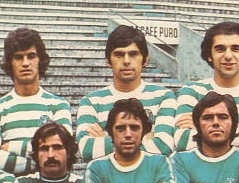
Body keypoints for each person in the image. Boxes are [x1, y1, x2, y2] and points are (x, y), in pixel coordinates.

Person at [174, 21, 239, 159]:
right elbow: (182, 142)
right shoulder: (192, 91)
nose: (228, 56)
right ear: (209, 55)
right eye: (220, 49)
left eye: (235, 49)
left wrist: (205, 133)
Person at [76, 25, 177, 160]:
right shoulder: (91, 101)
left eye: (133, 54)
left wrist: (106, 138)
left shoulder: (164, 97)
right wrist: (146, 139)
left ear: (145, 59)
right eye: (119, 55)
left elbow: (163, 147)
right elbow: (88, 150)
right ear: (108, 61)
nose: (126, 61)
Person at [0, 27, 72, 176]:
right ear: (10, 62)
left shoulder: (58, 105)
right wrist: (42, 163)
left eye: (31, 56)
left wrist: (13, 147)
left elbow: (64, 149)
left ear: (40, 60)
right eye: (18, 57)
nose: (25, 63)